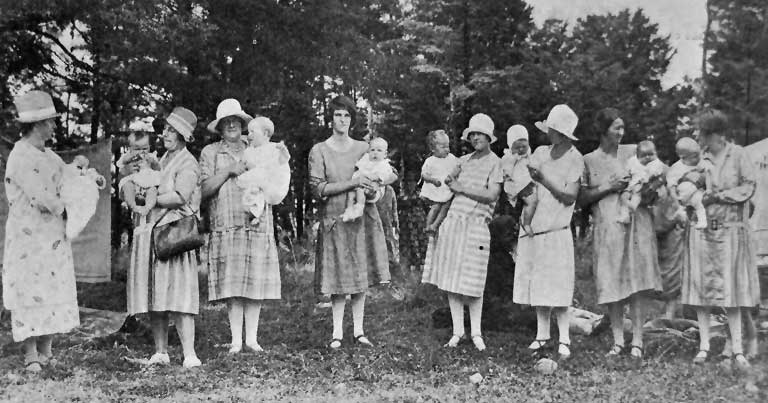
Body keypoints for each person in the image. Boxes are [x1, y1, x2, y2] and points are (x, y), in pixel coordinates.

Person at [2, 90, 79, 372]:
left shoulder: (49, 155)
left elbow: (65, 176)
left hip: (52, 237)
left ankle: (46, 348)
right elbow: (42, 196)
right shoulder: (20, 156)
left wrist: (81, 174)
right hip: (28, 237)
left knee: (52, 287)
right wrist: (69, 206)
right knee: (29, 289)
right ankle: (30, 352)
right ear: (37, 124)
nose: (55, 126)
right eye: (51, 122)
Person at [578, 107, 662, 359]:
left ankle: (637, 340)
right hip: (608, 225)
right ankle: (617, 340)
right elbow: (582, 198)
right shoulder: (589, 160)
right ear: (603, 130)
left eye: (623, 128)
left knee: (637, 281)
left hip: (638, 222)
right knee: (611, 280)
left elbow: (656, 180)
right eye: (617, 127)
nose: (622, 132)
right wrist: (609, 186)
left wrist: (650, 191)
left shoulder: (634, 151)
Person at [309, 95, 392, 349]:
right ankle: (336, 332)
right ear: (330, 119)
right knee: (337, 278)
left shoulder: (363, 149)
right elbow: (318, 188)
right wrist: (353, 183)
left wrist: (369, 191)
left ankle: (358, 330)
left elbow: (381, 181)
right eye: (337, 115)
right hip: (334, 218)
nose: (342, 120)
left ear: (352, 119)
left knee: (359, 274)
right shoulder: (320, 150)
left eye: (346, 115)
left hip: (361, 218)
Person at [200, 99, 283, 353]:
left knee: (254, 280)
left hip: (255, 221)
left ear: (244, 123)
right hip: (226, 223)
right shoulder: (211, 153)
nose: (232, 124)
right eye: (227, 121)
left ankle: (252, 338)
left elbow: (277, 171)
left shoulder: (256, 145)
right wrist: (229, 171)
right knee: (232, 283)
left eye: (236, 120)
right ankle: (236, 339)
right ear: (220, 127)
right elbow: (203, 189)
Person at [124, 106, 202, 368]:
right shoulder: (162, 158)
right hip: (151, 231)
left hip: (174, 234)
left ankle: (189, 353)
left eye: (172, 130)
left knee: (179, 293)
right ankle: (161, 351)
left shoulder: (188, 162)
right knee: (157, 292)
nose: (166, 133)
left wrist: (150, 197)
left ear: (182, 135)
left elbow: (181, 195)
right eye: (166, 129)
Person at [683, 110, 761, 368]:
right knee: (702, 290)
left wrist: (719, 196)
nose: (697, 136)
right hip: (702, 230)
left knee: (732, 291)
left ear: (713, 133)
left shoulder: (739, 155)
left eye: (700, 131)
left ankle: (737, 348)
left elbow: (748, 187)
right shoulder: (697, 158)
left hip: (731, 231)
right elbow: (684, 188)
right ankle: (704, 346)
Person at [422, 113, 502, 352]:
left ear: (489, 137)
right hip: (453, 222)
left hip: (476, 224)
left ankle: (476, 332)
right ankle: (458, 332)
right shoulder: (463, 160)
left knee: (473, 281)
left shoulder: (495, 162)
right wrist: (442, 183)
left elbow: (492, 195)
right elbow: (446, 181)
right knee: (451, 280)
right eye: (473, 134)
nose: (476, 138)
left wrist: (462, 188)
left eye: (480, 134)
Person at [512, 105, 584, 359]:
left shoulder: (575, 158)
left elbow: (569, 196)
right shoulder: (542, 152)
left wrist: (542, 179)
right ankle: (542, 335)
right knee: (539, 284)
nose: (549, 134)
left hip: (557, 228)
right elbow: (525, 178)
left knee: (559, 285)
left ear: (562, 133)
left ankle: (564, 338)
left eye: (552, 130)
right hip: (536, 228)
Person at [236, 116, 291, 226]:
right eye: (249, 132)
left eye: (253, 132)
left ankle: (256, 214)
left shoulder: (273, 148)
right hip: (256, 179)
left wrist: (283, 151)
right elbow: (245, 163)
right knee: (253, 192)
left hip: (270, 180)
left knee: (260, 192)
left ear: (265, 133)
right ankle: (252, 212)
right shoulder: (250, 151)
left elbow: (282, 161)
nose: (249, 135)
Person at [341, 137, 397, 222]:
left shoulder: (383, 164)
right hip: (361, 184)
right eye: (372, 150)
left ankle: (359, 208)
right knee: (351, 193)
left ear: (385, 154)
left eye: (379, 150)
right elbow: (358, 170)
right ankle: (349, 211)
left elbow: (391, 175)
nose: (375, 153)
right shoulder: (366, 160)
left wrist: (372, 179)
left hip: (376, 190)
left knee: (361, 192)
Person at [667, 137, 713, 229]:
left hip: (696, 194)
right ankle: (680, 213)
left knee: (700, 202)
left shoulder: (702, 163)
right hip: (681, 197)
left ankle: (702, 221)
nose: (698, 158)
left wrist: (709, 188)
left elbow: (709, 174)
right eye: (694, 157)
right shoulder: (676, 168)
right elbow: (671, 187)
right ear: (683, 157)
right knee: (681, 210)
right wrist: (676, 202)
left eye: (698, 155)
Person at [616, 140, 666, 224]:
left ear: (656, 153)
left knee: (637, 195)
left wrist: (649, 178)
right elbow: (627, 171)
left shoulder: (656, 163)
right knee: (624, 197)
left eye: (651, 154)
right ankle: (625, 215)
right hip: (632, 185)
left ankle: (633, 207)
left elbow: (657, 173)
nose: (647, 157)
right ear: (637, 156)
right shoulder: (633, 161)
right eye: (643, 155)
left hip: (645, 185)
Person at [420, 129, 459, 233]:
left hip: (446, 188)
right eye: (443, 147)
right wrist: (433, 180)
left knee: (446, 206)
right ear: (433, 148)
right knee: (436, 207)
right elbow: (424, 175)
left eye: (448, 146)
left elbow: (459, 166)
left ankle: (435, 225)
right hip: (437, 189)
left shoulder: (451, 158)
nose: (447, 149)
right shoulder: (430, 161)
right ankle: (428, 225)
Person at [501, 124, 537, 236]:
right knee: (532, 202)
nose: (521, 150)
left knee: (534, 201)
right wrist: (513, 161)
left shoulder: (529, 155)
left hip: (527, 182)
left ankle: (525, 220)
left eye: (524, 147)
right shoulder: (509, 157)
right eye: (517, 148)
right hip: (518, 185)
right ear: (510, 146)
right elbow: (506, 172)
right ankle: (526, 223)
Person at [116, 132, 162, 217]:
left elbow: (158, 168)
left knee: (152, 190)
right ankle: (134, 207)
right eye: (137, 149)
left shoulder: (151, 156)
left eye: (145, 148)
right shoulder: (127, 156)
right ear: (130, 149)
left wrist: (153, 162)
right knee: (127, 187)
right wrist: (130, 158)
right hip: (132, 180)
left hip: (147, 180)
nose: (141, 151)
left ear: (149, 147)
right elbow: (121, 163)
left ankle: (147, 208)